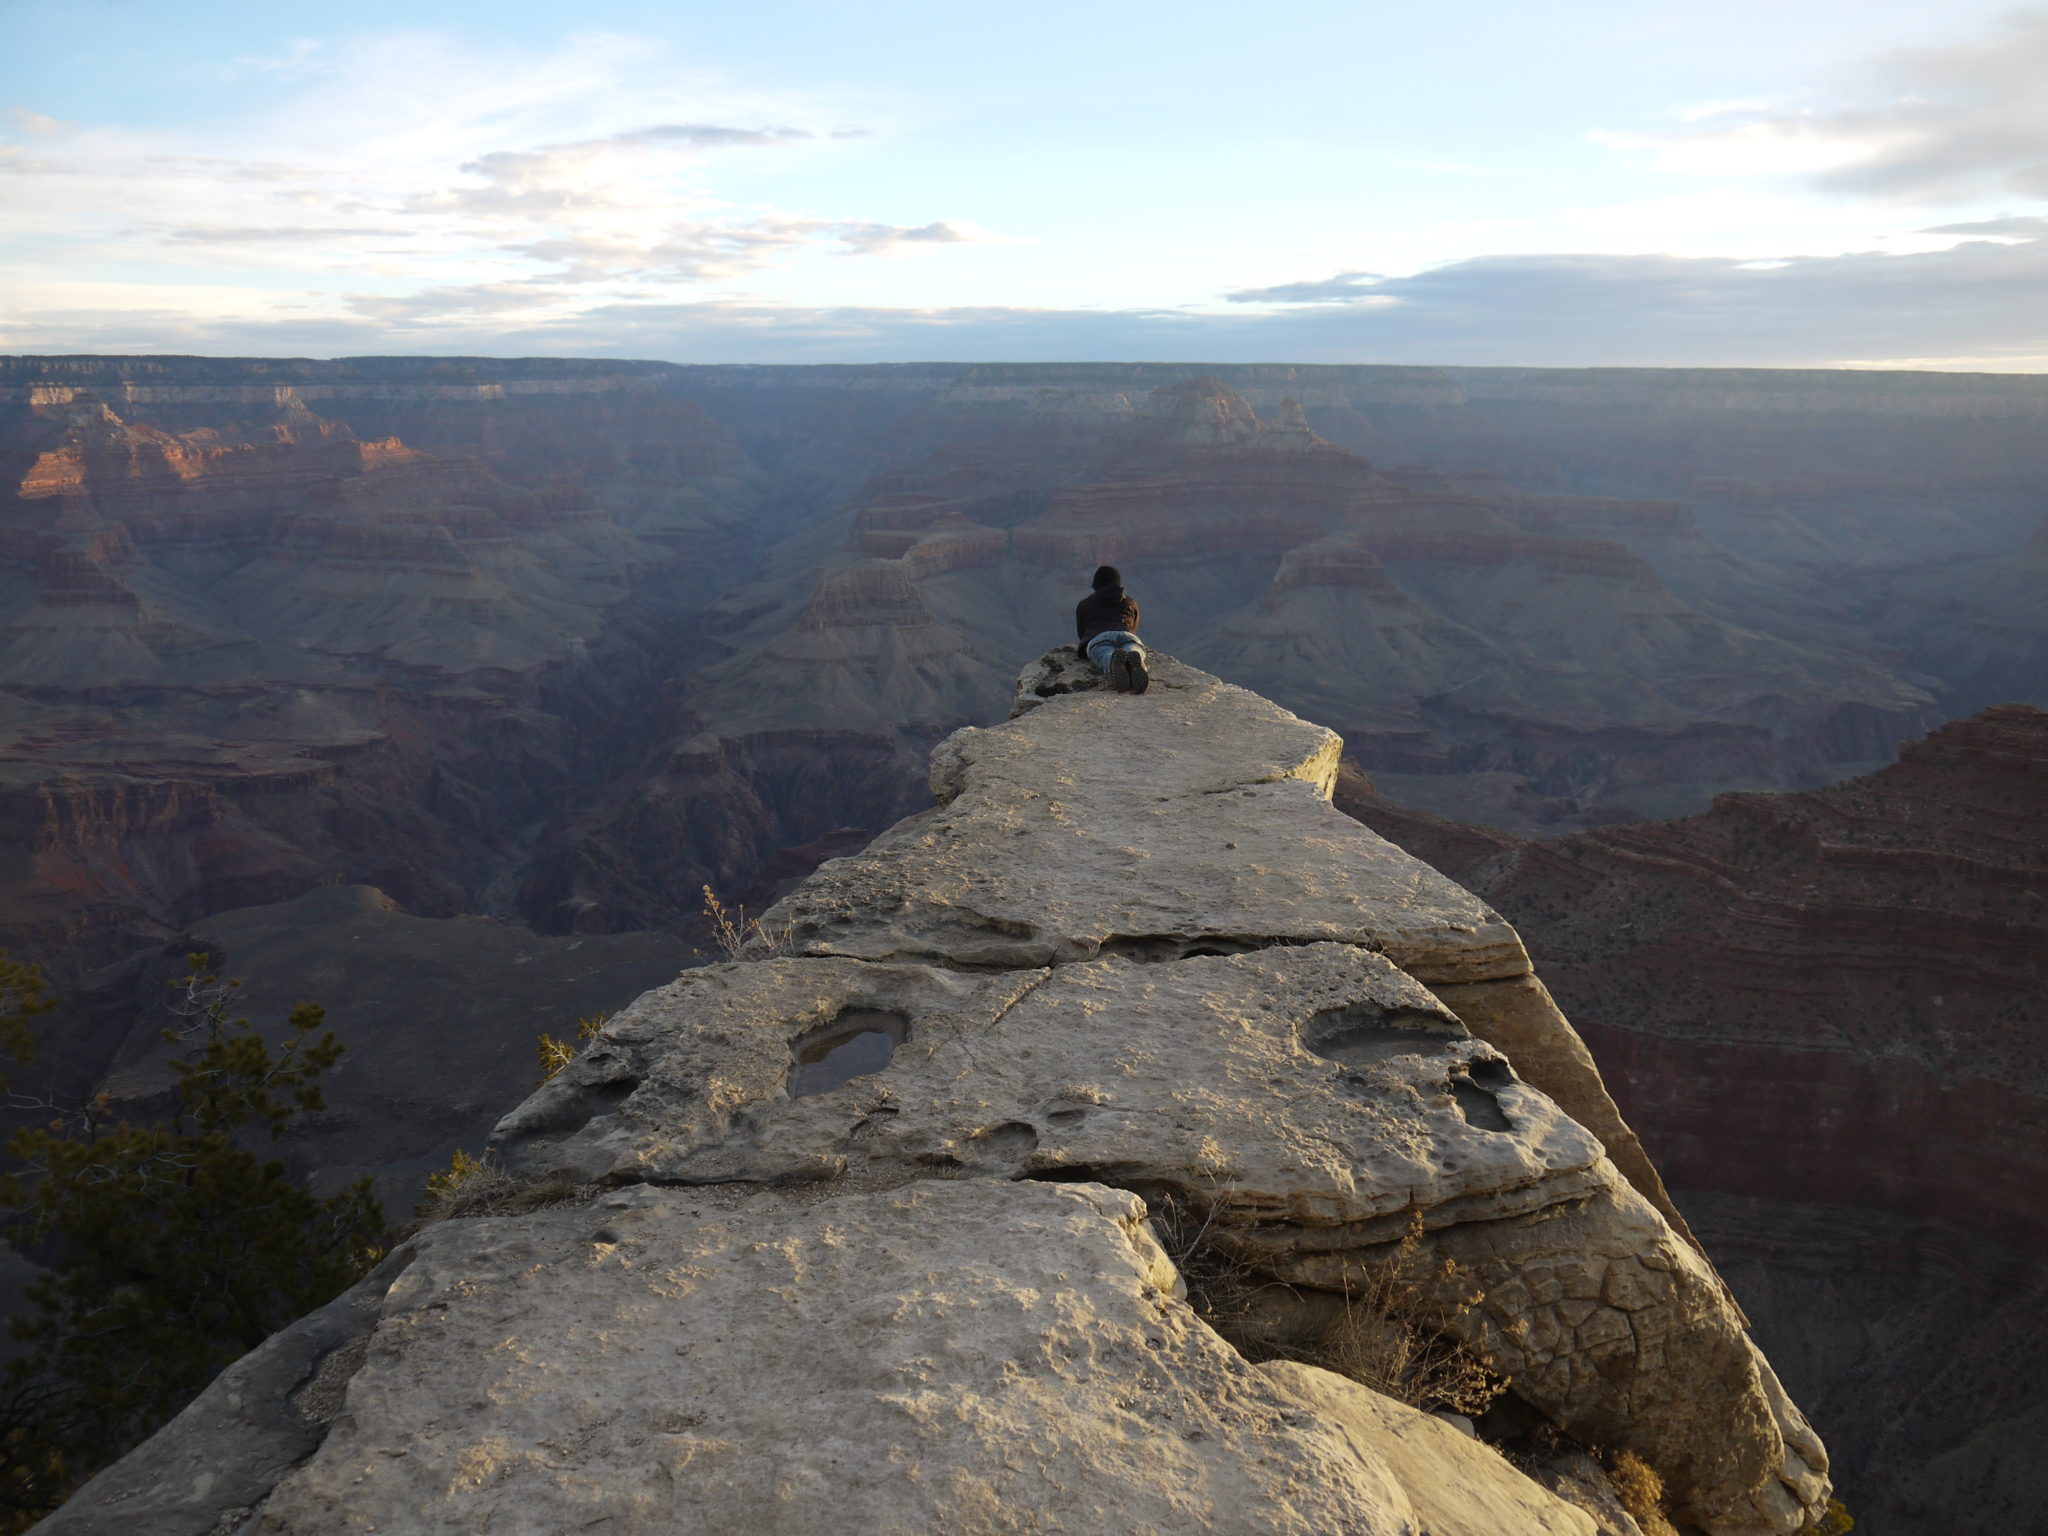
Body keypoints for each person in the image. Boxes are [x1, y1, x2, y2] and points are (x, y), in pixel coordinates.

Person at [1075, 564, 1148, 694]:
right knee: (1133, 647)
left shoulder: (1084, 604)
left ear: (1096, 585)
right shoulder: (1130, 602)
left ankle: (1113, 660)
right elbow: (1134, 626)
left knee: (1105, 654)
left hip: (1099, 637)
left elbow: (1082, 633)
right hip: (1126, 634)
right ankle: (1135, 660)